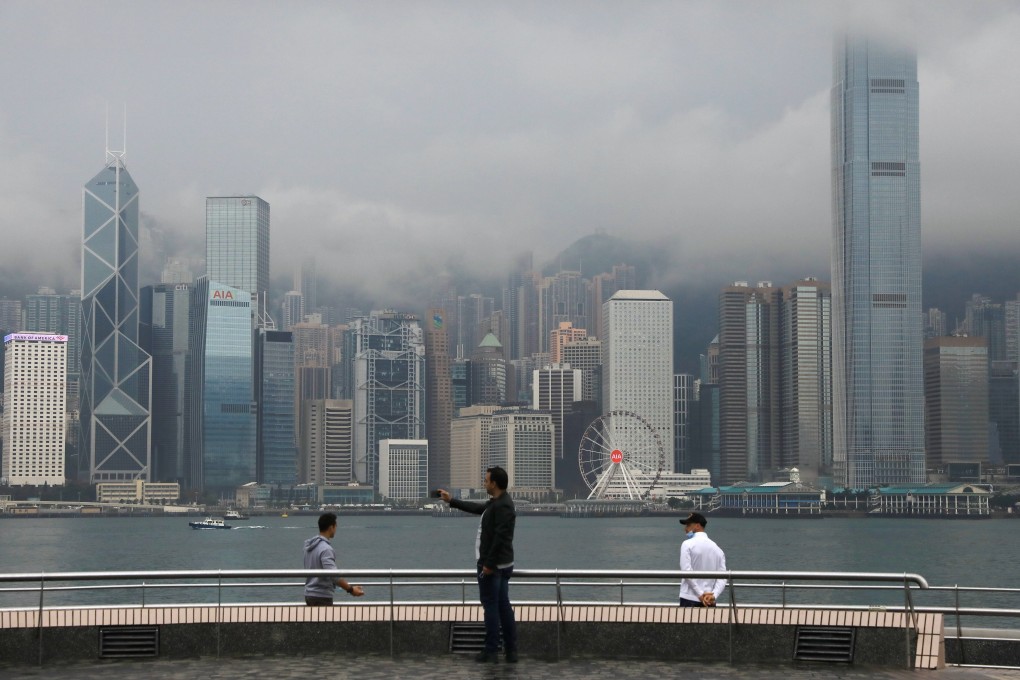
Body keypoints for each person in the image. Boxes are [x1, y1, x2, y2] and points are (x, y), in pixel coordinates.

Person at [438, 466, 518, 664]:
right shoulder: (497, 503)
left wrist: (488, 565)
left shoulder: (503, 506)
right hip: (500, 564)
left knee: (491, 607)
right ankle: (510, 651)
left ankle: (492, 651)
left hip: (494, 567)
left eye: (486, 480)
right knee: (502, 605)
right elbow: (477, 509)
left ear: (495, 483)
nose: (484, 483)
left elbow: (500, 538)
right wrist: (451, 501)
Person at [303, 512, 365, 605]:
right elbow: (334, 575)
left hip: (309, 594)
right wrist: (351, 589)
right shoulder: (326, 549)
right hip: (321, 596)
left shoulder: (309, 546)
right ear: (331, 527)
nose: (336, 529)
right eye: (336, 526)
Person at [678, 511, 727, 607]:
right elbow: (723, 577)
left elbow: (686, 571)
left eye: (688, 525)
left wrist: (700, 594)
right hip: (709, 600)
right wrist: (714, 595)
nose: (685, 529)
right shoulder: (718, 549)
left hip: (689, 598)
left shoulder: (687, 544)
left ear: (697, 526)